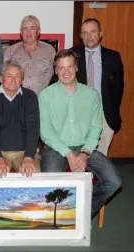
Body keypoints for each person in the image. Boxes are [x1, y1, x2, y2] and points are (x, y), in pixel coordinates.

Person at [38, 49, 122, 219]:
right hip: (56, 147)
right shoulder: (45, 95)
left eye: (70, 66)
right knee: (51, 182)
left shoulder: (91, 95)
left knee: (114, 181)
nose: (66, 72)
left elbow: (95, 127)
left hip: (85, 147)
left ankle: (80, 214)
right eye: (61, 68)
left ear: (76, 67)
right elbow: (45, 131)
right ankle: (60, 216)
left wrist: (84, 153)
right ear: (55, 70)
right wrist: (68, 154)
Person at [71, 18, 124, 156]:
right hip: (79, 113)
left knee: (100, 155)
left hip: (104, 114)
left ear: (100, 33)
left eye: (93, 31)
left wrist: (110, 107)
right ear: (81, 36)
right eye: (84, 33)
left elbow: (118, 88)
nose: (89, 36)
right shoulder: (72, 55)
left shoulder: (113, 57)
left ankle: (99, 178)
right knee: (81, 154)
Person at [0, 60, 40, 178]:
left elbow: (33, 128)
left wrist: (29, 157)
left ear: (22, 80)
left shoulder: (30, 97)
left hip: (24, 152)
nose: (13, 80)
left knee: (34, 177)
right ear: (1, 78)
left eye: (17, 76)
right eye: (9, 76)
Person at [4, 15, 56, 95]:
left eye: (32, 28)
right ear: (21, 32)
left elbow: (56, 76)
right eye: (25, 28)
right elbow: (4, 77)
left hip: (43, 100)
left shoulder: (50, 50)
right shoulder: (11, 51)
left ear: (38, 31)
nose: (28, 32)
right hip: (18, 99)